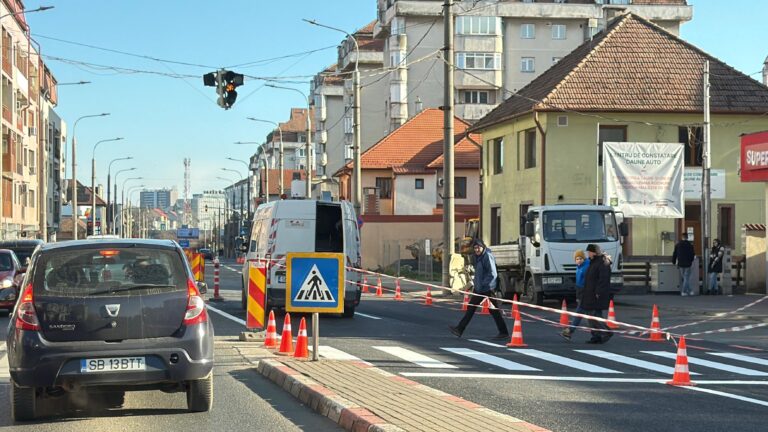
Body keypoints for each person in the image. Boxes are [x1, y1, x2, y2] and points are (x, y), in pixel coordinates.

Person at [449, 239, 509, 340]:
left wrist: (484, 285)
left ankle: (503, 332)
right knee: (474, 308)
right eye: (475, 248)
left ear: (483, 247)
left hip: (487, 288)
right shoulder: (479, 257)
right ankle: (459, 329)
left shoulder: (487, 256)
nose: (477, 249)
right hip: (480, 288)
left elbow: (492, 274)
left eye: (478, 247)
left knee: (490, 310)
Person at [580, 244, 613, 344]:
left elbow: (603, 279)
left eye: (589, 252)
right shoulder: (593, 262)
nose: (588, 254)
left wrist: (598, 291)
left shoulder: (601, 263)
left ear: (594, 252)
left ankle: (606, 331)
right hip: (590, 293)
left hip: (596, 294)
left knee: (594, 315)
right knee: (591, 315)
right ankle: (596, 335)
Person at [560, 249, 589, 341]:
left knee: (580, 312)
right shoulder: (579, 267)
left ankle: (569, 331)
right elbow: (578, 283)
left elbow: (586, 282)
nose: (579, 260)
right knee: (588, 314)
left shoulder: (586, 266)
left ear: (584, 258)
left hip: (586, 292)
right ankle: (599, 333)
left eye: (580, 258)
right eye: (577, 259)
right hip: (581, 292)